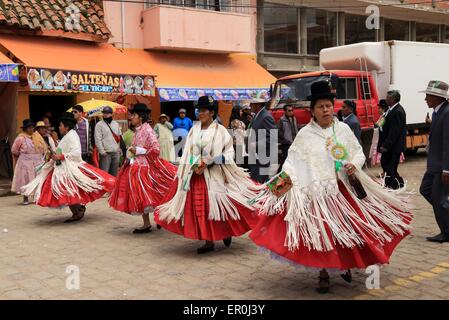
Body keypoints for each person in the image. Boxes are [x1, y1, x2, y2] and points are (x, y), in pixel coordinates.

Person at [248, 80, 412, 294]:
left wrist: (354, 164)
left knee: (348, 232)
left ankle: (345, 264)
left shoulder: (342, 129)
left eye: (328, 105)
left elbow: (358, 152)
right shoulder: (305, 135)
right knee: (324, 234)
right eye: (321, 107)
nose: (326, 110)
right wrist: (277, 188)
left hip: (344, 191)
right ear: (312, 111)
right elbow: (291, 162)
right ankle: (324, 274)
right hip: (319, 195)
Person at [154, 96, 259, 254]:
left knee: (220, 206)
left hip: (217, 176)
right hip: (196, 175)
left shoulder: (221, 131)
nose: (200, 113)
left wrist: (213, 160)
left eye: (203, 110)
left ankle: (226, 232)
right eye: (199, 110)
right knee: (202, 208)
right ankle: (208, 241)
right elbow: (187, 151)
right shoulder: (194, 130)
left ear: (212, 113)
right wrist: (192, 163)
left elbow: (230, 153)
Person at [21, 112, 115, 223]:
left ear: (66, 126)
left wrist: (60, 156)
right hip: (63, 167)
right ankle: (78, 210)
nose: (59, 127)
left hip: (69, 168)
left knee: (68, 191)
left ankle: (77, 211)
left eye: (60, 125)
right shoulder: (68, 135)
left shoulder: (72, 136)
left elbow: (76, 153)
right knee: (68, 191)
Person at [109, 103, 177, 234]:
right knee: (142, 196)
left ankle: (160, 218)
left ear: (140, 117)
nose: (131, 118)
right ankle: (147, 223)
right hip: (137, 166)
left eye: (133, 115)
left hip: (145, 168)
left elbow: (155, 149)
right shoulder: (139, 130)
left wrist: (137, 150)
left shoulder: (147, 130)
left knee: (151, 194)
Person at [419, 80, 449, 243]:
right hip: (433, 164)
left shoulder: (447, 112)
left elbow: (448, 143)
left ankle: (446, 231)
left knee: (439, 199)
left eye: (428, 95)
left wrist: (447, 169)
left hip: (441, 166)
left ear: (437, 97)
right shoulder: (438, 112)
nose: (425, 99)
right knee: (425, 190)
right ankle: (444, 212)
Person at [11, 119, 47, 205]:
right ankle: (25, 197)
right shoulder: (21, 138)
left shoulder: (37, 136)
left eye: (32, 127)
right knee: (26, 179)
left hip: (37, 160)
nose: (31, 129)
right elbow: (14, 150)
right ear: (25, 129)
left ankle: (37, 197)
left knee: (37, 178)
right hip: (25, 162)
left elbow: (43, 147)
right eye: (29, 128)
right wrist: (22, 156)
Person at [378, 90, 407, 189]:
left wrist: (385, 145)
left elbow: (394, 132)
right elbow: (383, 123)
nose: (386, 99)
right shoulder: (390, 110)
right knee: (387, 166)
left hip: (393, 147)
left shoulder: (398, 111)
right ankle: (398, 183)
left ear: (393, 99)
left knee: (390, 168)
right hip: (389, 146)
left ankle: (393, 186)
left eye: (388, 98)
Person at [247, 98, 276, 183]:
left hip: (262, 158)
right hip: (256, 157)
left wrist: (256, 144)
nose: (249, 106)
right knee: (256, 181)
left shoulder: (266, 116)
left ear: (258, 104)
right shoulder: (257, 115)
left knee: (258, 183)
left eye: (251, 104)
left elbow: (273, 138)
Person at [94, 106, 122, 177]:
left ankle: (113, 188)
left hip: (115, 153)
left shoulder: (116, 124)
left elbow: (119, 137)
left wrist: (119, 149)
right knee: (104, 175)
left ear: (111, 114)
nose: (105, 115)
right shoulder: (99, 125)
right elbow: (97, 139)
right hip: (106, 154)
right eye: (104, 113)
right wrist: (102, 152)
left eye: (108, 113)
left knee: (114, 175)